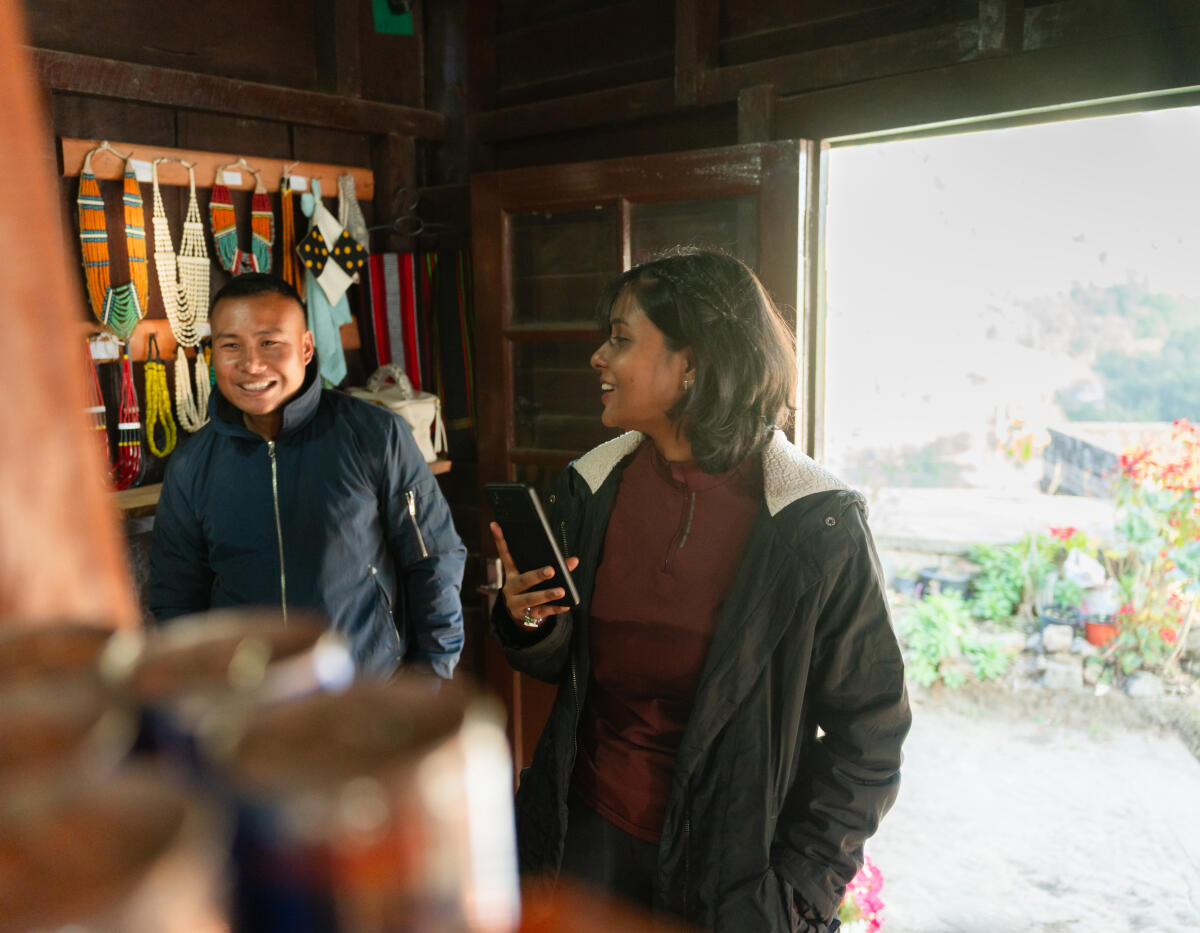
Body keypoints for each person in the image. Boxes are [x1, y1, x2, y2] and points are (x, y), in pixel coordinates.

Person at [489, 249, 910, 931]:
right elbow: (554, 664)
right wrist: (529, 618)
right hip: (579, 841)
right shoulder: (590, 487)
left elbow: (873, 731)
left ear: (693, 363)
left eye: (621, 339)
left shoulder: (816, 524)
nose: (598, 357)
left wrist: (801, 888)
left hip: (734, 874)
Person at [150, 273, 466, 679]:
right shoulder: (193, 464)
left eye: (270, 342)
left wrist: (428, 681)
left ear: (305, 348)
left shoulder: (374, 435)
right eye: (231, 345)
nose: (250, 364)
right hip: (249, 709)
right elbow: (176, 599)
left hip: (365, 698)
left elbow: (434, 561)